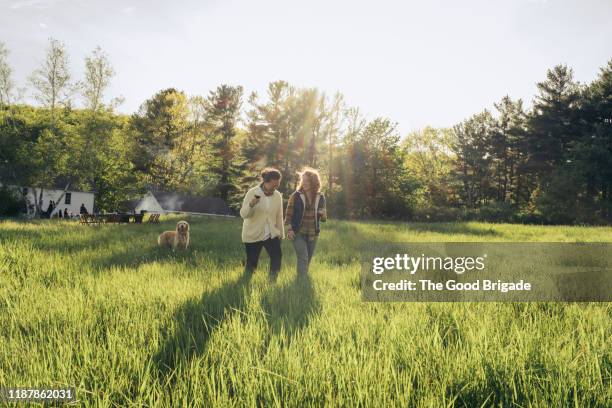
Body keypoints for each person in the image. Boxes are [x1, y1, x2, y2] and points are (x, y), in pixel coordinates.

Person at [240, 168, 285, 281]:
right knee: (252, 263)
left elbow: (279, 215)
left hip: (271, 233)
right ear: (266, 181)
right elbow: (244, 215)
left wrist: (281, 233)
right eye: (274, 184)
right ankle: (245, 283)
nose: (276, 187)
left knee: (277, 257)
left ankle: (272, 281)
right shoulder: (253, 192)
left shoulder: (277, 196)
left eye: (278, 184)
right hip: (253, 233)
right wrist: (251, 205)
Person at [285, 167, 327, 276]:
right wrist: (289, 230)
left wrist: (324, 216)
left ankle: (301, 281)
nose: (304, 183)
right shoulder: (296, 196)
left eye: (307, 181)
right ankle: (301, 281)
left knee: (307, 259)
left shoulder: (320, 197)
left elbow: (323, 219)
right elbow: (288, 215)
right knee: (303, 257)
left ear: (314, 182)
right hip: (298, 232)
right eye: (303, 180)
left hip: (313, 233)